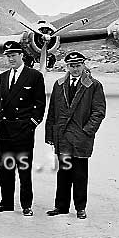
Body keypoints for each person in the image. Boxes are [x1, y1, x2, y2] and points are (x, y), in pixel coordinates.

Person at [45, 51, 106, 220]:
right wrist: (50, 134)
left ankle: (80, 207)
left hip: (81, 138)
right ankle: (61, 206)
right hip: (63, 137)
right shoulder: (58, 85)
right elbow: (52, 111)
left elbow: (99, 112)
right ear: (67, 66)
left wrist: (86, 131)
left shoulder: (93, 85)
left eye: (78, 65)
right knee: (63, 173)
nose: (75, 69)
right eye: (72, 66)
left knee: (80, 174)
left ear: (83, 65)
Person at [0, 41, 46, 216]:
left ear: (22, 56)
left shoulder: (34, 76)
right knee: (5, 169)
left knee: (24, 170)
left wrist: (32, 124)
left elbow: (40, 104)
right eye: (8, 56)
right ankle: (6, 202)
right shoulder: (3, 77)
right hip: (5, 130)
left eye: (13, 55)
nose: (10, 59)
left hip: (23, 131)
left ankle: (26, 205)